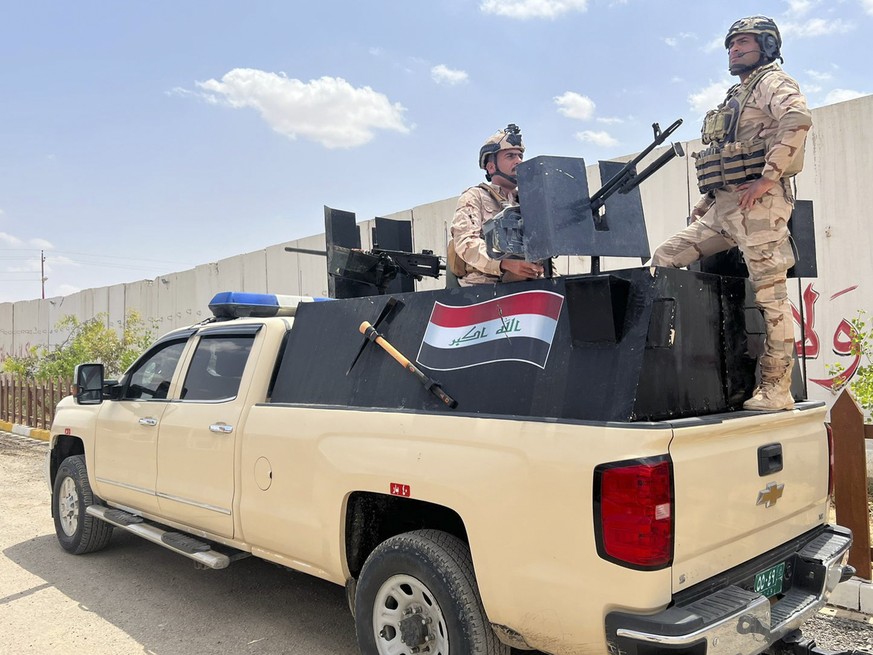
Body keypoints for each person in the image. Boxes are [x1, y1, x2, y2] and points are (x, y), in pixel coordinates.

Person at [650, 16, 812, 411]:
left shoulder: (773, 82)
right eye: (730, 45)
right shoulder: (737, 94)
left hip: (758, 207)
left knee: (771, 295)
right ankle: (661, 358)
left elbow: (797, 119)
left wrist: (766, 179)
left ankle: (776, 388)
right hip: (722, 209)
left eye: (743, 43)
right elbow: (724, 153)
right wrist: (707, 198)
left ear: (767, 46)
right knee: (664, 259)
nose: (734, 50)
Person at [450, 124, 544, 286]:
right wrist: (504, 264)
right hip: (483, 285)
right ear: (491, 166)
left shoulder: (528, 201)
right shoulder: (474, 196)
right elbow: (466, 243)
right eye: (510, 156)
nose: (518, 161)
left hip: (528, 280)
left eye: (520, 156)